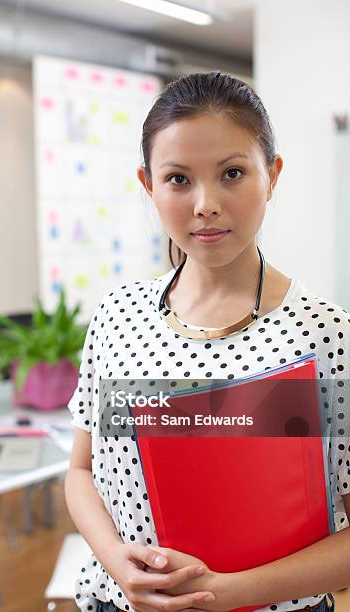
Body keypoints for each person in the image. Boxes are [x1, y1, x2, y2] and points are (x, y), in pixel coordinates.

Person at [65, 71, 350, 612]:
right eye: (177, 179)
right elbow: (81, 472)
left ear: (272, 175)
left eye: (232, 173)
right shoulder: (116, 317)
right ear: (148, 185)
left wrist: (224, 594)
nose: (205, 204)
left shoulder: (327, 337)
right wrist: (115, 560)